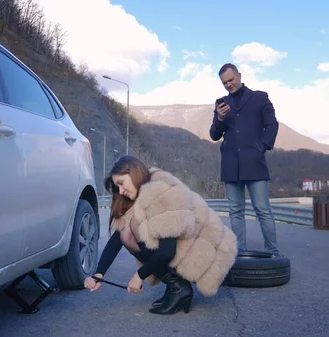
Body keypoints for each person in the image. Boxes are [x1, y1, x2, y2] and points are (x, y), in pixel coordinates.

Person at [84, 155, 237, 315]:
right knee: (125, 232)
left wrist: (139, 275)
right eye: (117, 187)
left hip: (204, 252)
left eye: (121, 183)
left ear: (133, 173)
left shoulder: (160, 194)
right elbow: (117, 239)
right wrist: (99, 273)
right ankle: (175, 287)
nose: (121, 191)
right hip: (183, 248)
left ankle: (180, 288)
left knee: (132, 232)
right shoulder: (140, 196)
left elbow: (167, 251)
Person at [209, 63, 281, 255]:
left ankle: (273, 252)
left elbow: (272, 124)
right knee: (235, 211)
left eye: (231, 80)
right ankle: (239, 251)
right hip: (231, 165)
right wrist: (220, 119)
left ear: (239, 76)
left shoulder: (259, 97)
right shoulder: (221, 103)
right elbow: (214, 135)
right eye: (224, 82)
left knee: (263, 209)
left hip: (254, 162)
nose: (228, 85)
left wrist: (261, 147)